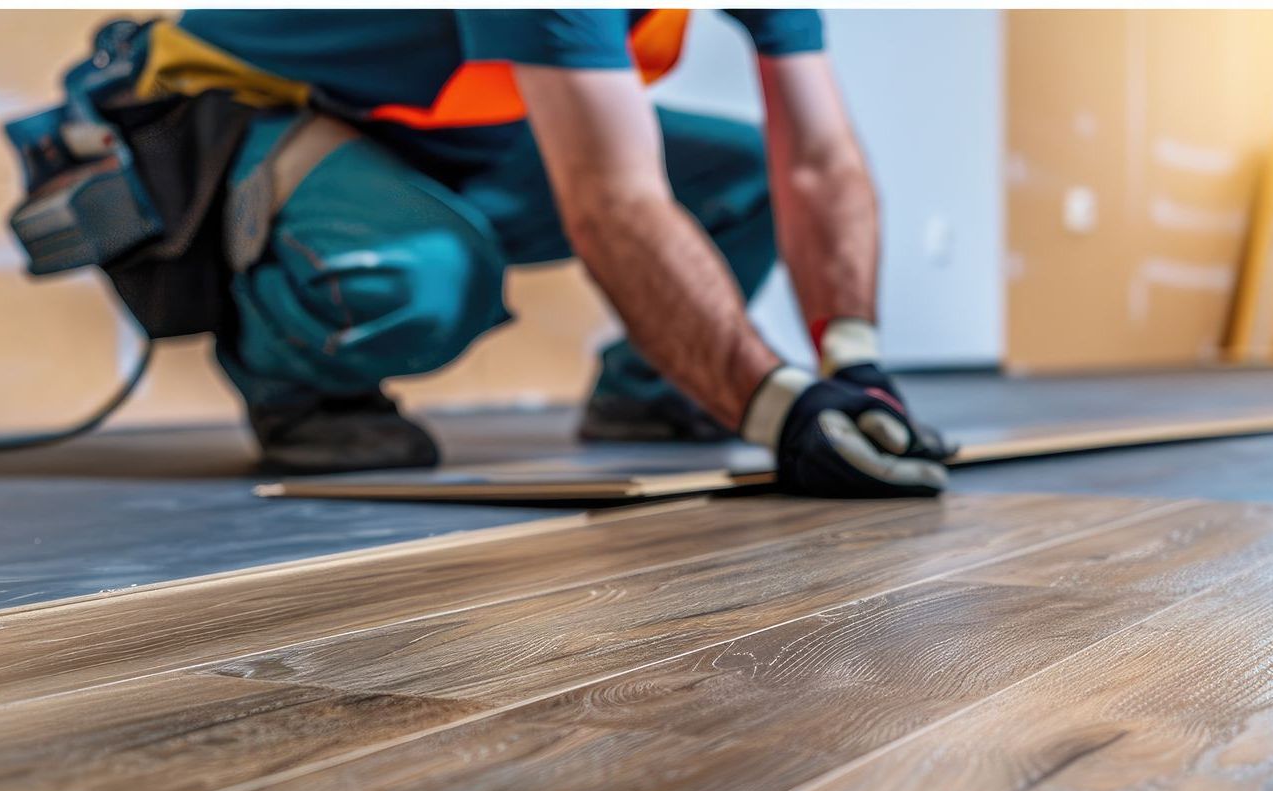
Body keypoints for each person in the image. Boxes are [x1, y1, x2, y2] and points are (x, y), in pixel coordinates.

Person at [131, 10, 955, 494]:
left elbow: (813, 163)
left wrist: (854, 366)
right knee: (424, 275)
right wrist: (780, 410)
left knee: (745, 176)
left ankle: (651, 390)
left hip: (439, 127)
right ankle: (298, 384)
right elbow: (612, 202)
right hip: (249, 106)